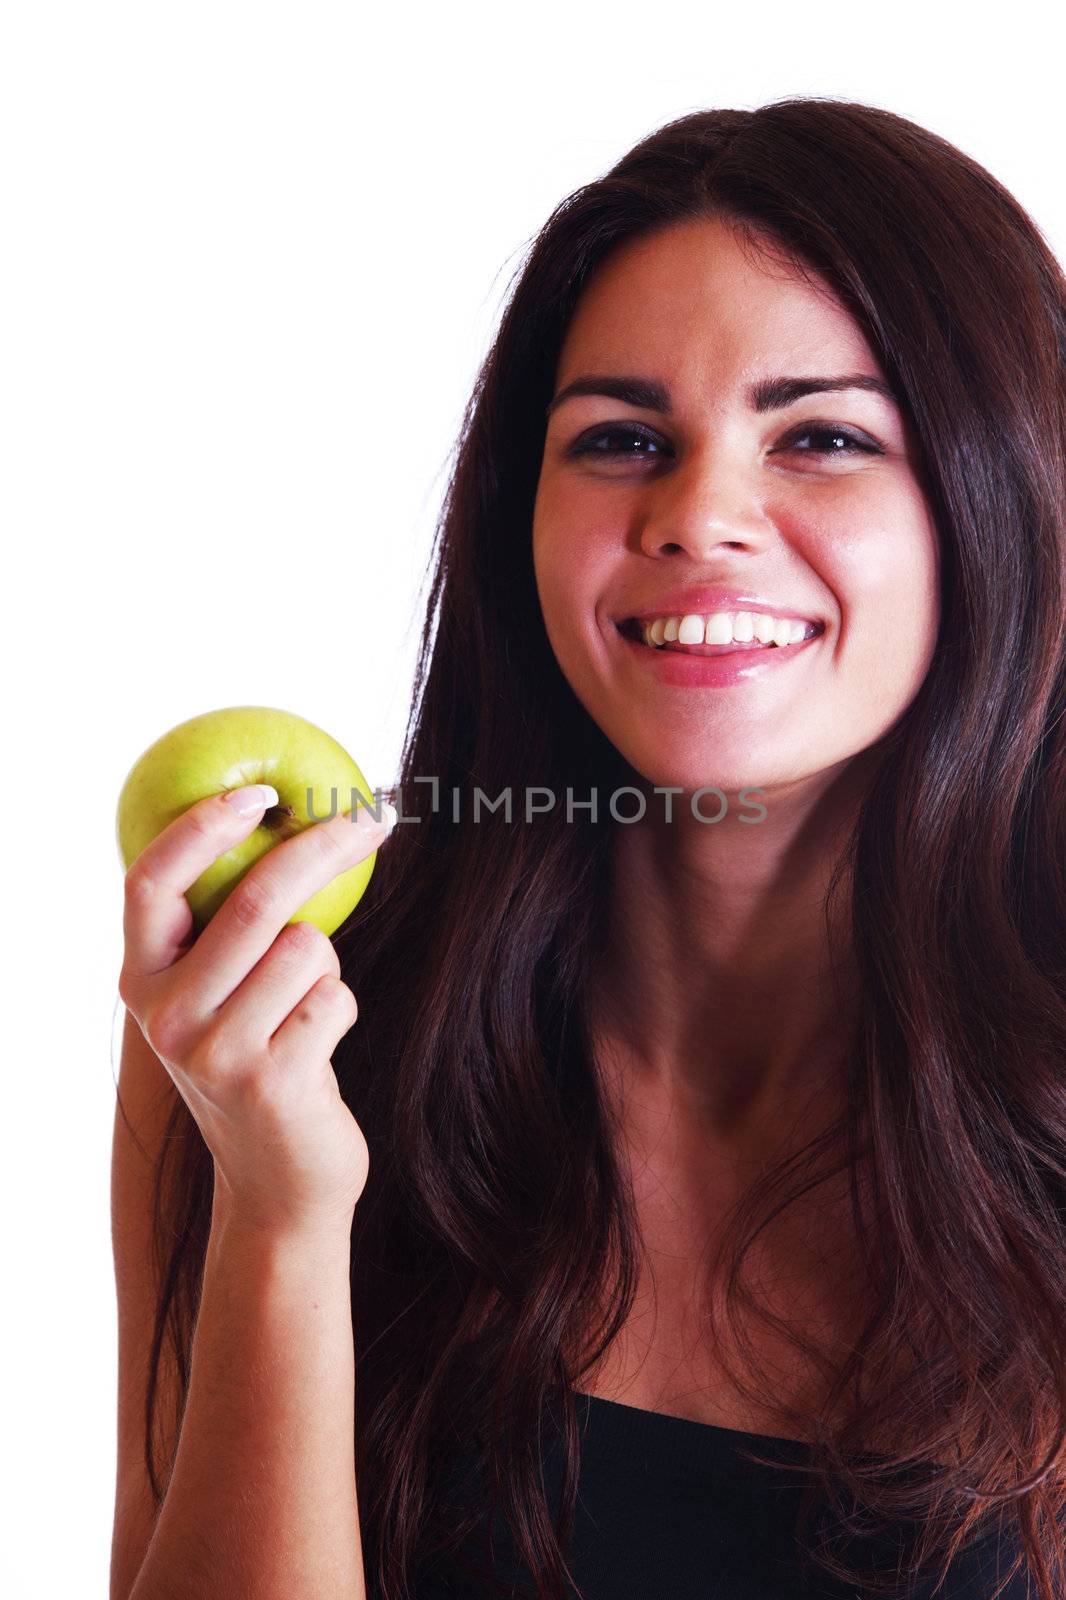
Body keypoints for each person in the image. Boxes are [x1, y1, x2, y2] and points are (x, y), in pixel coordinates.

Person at [110, 97, 1066, 1600]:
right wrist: (283, 1215)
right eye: (621, 439)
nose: (698, 517)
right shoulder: (273, 1026)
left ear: (998, 499)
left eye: (819, 436)